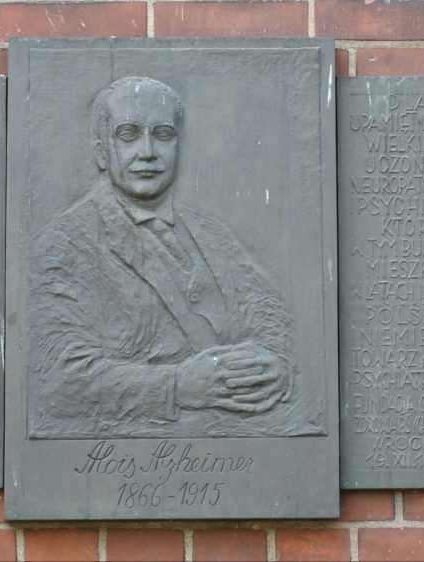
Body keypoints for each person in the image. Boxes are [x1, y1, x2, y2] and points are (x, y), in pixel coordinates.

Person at [27, 76, 310, 438]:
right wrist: (177, 386)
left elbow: (267, 310)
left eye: (162, 135)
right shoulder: (65, 243)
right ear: (101, 152)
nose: (147, 152)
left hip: (243, 444)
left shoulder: (209, 233)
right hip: (131, 449)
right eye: (128, 135)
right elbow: (58, 381)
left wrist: (273, 362)